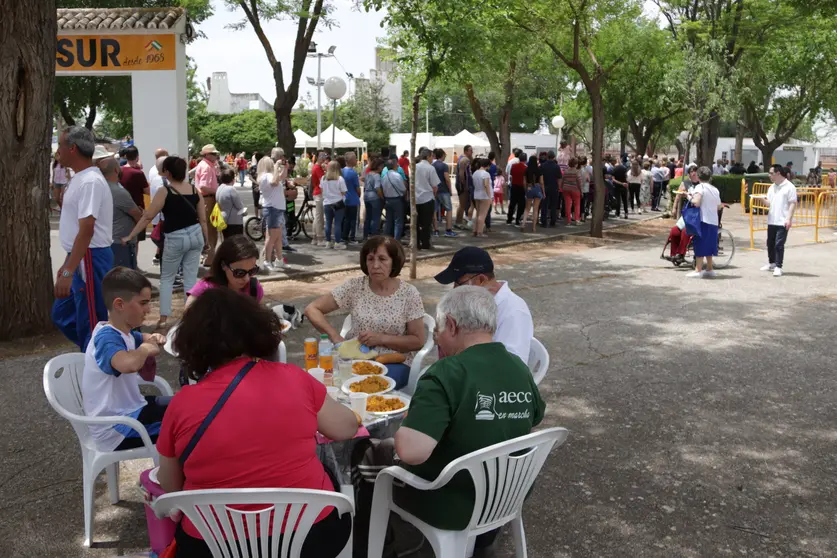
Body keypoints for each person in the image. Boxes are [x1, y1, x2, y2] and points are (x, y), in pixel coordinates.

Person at [157, 288, 356, 558]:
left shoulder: (181, 404)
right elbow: (346, 428)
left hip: (211, 545)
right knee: (329, 471)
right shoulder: (294, 378)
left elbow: (170, 485)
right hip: (312, 534)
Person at [384, 285, 545, 552]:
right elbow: (535, 416)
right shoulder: (517, 365)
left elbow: (411, 452)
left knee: (376, 458)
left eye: (438, 330)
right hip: (508, 493)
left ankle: (392, 543)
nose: (437, 339)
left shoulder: (445, 373)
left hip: (452, 502)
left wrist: (412, 415)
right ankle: (482, 542)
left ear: (452, 325)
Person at [304, 236, 426, 389]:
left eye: (382, 259)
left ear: (394, 262)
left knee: (366, 386)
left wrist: (381, 338)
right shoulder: (355, 287)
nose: (375, 265)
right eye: (370, 259)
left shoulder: (409, 293)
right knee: (321, 381)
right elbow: (312, 309)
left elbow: (418, 341)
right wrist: (336, 338)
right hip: (353, 358)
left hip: (394, 361)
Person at [83, 267, 168, 451]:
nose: (148, 309)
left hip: (131, 412)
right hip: (117, 429)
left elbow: (142, 338)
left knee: (187, 405)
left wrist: (153, 337)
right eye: (143, 303)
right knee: (192, 424)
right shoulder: (107, 338)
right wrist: (145, 349)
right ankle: (170, 477)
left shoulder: (124, 332)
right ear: (120, 304)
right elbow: (127, 364)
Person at [123, 157, 208, 329]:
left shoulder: (165, 191)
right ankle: (190, 316)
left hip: (175, 237)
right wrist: (206, 240)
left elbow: (148, 216)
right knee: (190, 278)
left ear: (167, 172)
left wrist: (131, 235)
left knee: (167, 278)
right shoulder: (194, 189)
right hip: (196, 235)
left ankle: (163, 318)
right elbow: (203, 219)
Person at [52, 126, 114, 351]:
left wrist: (69, 269)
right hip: (81, 256)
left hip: (90, 256)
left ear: (73, 149)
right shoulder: (82, 178)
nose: (58, 151)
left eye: (60, 145)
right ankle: (98, 356)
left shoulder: (89, 181)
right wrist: (68, 263)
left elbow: (87, 228)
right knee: (63, 314)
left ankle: (100, 363)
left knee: (91, 321)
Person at [434, 246, 533, 362]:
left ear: (481, 280)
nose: (454, 290)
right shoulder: (472, 303)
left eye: (459, 284)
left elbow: (511, 365)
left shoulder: (514, 311)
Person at [185, 236, 264, 308]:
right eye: (239, 273)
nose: (246, 279)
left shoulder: (254, 289)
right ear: (223, 265)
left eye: (251, 271)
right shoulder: (204, 290)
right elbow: (189, 319)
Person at [100, 157, 142, 269]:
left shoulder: (101, 187)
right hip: (120, 242)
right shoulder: (118, 192)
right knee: (123, 280)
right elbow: (137, 215)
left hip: (108, 240)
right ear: (116, 170)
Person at [760, 164, 798, 277]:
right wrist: (761, 199)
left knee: (779, 244)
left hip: (782, 221)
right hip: (772, 220)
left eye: (771, 173)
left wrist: (788, 219)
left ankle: (778, 266)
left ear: (778, 173)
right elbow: (769, 203)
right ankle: (772, 263)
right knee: (770, 243)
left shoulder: (789, 187)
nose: (769, 175)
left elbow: (792, 203)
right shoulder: (772, 187)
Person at [686, 166, 722, 279]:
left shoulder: (699, 187)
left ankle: (698, 269)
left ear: (698, 176)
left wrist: (688, 197)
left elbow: (696, 202)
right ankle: (709, 268)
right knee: (710, 245)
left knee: (700, 244)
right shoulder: (715, 189)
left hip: (703, 219)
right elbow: (718, 206)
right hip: (713, 220)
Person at [257, 149, 288, 269]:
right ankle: (267, 260)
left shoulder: (268, 176)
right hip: (273, 208)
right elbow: (275, 181)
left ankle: (279, 260)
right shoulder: (267, 176)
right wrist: (276, 167)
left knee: (278, 236)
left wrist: (285, 167)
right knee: (271, 237)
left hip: (276, 208)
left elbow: (281, 178)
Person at [665, 166, 699, 263]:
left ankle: (681, 254)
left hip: (698, 213)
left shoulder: (702, 185)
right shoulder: (685, 183)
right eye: (692, 171)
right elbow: (678, 196)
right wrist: (674, 208)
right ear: (689, 174)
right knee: (674, 231)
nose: (694, 173)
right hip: (688, 212)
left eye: (696, 171)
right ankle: (674, 254)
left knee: (685, 231)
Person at [194, 144, 221, 265]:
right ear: (207, 155)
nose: (216, 156)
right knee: (210, 230)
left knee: (209, 229)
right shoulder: (206, 167)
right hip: (207, 199)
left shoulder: (206, 165)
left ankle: (208, 257)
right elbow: (204, 186)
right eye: (214, 154)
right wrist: (218, 191)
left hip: (206, 199)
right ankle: (210, 258)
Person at [414, 147, 441, 248]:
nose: (432, 158)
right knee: (426, 223)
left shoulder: (414, 166)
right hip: (427, 198)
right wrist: (434, 194)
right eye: (431, 156)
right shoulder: (430, 168)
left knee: (416, 223)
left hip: (416, 199)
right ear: (428, 156)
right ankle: (425, 243)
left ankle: (416, 242)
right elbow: (435, 185)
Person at [322, 160, 348, 249]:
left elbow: (322, 191)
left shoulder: (323, 178)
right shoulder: (340, 179)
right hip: (338, 203)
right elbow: (344, 192)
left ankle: (328, 241)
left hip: (327, 203)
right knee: (337, 223)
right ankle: (337, 242)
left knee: (328, 223)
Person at [215, 168, 246, 240]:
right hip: (234, 221)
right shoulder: (231, 189)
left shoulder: (219, 188)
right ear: (232, 179)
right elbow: (239, 206)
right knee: (236, 243)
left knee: (227, 242)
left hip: (223, 218)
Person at [432, 148, 457, 237]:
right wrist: (450, 190)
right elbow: (447, 179)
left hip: (434, 190)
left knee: (434, 211)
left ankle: (435, 230)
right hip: (443, 190)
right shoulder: (444, 166)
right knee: (449, 209)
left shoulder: (432, 165)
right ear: (442, 155)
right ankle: (448, 230)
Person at [382, 159, 407, 240]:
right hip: (397, 200)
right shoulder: (397, 176)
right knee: (398, 221)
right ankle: (396, 240)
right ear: (395, 166)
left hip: (387, 200)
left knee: (388, 220)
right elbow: (403, 189)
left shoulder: (384, 176)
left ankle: (386, 239)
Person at [363, 157, 385, 240]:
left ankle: (365, 235)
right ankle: (374, 235)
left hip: (366, 196)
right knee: (375, 217)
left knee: (368, 216)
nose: (382, 168)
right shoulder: (377, 176)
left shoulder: (368, 174)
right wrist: (382, 196)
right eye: (382, 166)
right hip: (374, 197)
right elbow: (377, 188)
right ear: (379, 166)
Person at [342, 152, 361, 244]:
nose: (356, 160)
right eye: (355, 159)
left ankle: (344, 236)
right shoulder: (353, 173)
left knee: (346, 219)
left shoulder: (342, 171)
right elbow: (357, 188)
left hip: (345, 198)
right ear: (351, 160)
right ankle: (352, 237)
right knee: (353, 219)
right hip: (353, 199)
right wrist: (359, 194)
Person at [521, 155, 543, 233]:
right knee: (535, 209)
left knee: (527, 208)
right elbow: (542, 182)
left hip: (529, 187)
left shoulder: (526, 170)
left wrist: (526, 189)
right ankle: (534, 228)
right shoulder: (539, 170)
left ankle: (523, 224)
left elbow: (524, 182)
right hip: (537, 188)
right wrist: (543, 192)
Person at [539, 151, 562, 227]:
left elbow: (540, 178)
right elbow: (559, 179)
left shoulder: (542, 166)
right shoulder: (557, 166)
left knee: (544, 205)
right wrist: (559, 187)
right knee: (553, 205)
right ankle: (553, 221)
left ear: (547, 156)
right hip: (554, 187)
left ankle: (543, 221)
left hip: (545, 187)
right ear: (554, 157)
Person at [471, 157, 492, 237]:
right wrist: (489, 196)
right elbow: (486, 185)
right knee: (482, 214)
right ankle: (480, 232)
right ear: (487, 165)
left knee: (478, 214)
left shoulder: (475, 172)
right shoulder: (485, 174)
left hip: (476, 194)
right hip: (484, 195)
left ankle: (475, 230)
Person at [310, 152, 327, 246]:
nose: (324, 159)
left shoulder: (316, 167)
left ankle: (315, 237)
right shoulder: (317, 168)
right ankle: (319, 238)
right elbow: (323, 181)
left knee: (317, 216)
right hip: (319, 193)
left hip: (317, 192)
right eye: (323, 157)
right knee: (319, 217)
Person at [507, 151, 528, 226]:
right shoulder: (526, 168)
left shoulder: (514, 166)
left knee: (512, 203)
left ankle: (509, 218)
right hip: (521, 187)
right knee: (521, 204)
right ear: (525, 159)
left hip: (514, 186)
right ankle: (517, 219)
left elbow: (511, 175)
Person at [455, 144, 473, 227]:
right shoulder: (464, 160)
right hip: (462, 185)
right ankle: (458, 222)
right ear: (466, 151)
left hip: (462, 184)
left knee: (462, 204)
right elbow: (461, 174)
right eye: (470, 150)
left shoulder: (464, 158)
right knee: (462, 204)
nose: (472, 152)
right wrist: (464, 185)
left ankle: (458, 222)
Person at [562, 158, 582, 225]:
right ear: (576, 164)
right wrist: (581, 191)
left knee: (568, 205)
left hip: (566, 189)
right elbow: (579, 182)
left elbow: (563, 180)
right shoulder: (577, 172)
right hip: (575, 189)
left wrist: (562, 187)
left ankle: (568, 221)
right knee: (577, 205)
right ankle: (577, 220)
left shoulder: (566, 171)